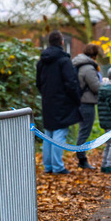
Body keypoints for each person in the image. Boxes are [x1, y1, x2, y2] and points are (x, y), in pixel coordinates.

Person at [35, 30, 81, 174]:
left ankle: (48, 166)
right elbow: (71, 83)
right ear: (61, 42)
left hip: (47, 101)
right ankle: (57, 167)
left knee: (48, 133)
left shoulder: (42, 61)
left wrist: (46, 94)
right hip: (62, 102)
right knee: (60, 133)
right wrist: (76, 98)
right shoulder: (64, 60)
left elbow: (38, 82)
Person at [72, 43, 102, 170]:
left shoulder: (77, 64)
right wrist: (104, 84)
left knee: (82, 131)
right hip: (86, 102)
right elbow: (96, 87)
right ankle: (82, 159)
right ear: (94, 55)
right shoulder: (88, 68)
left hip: (79, 101)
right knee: (84, 131)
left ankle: (81, 158)